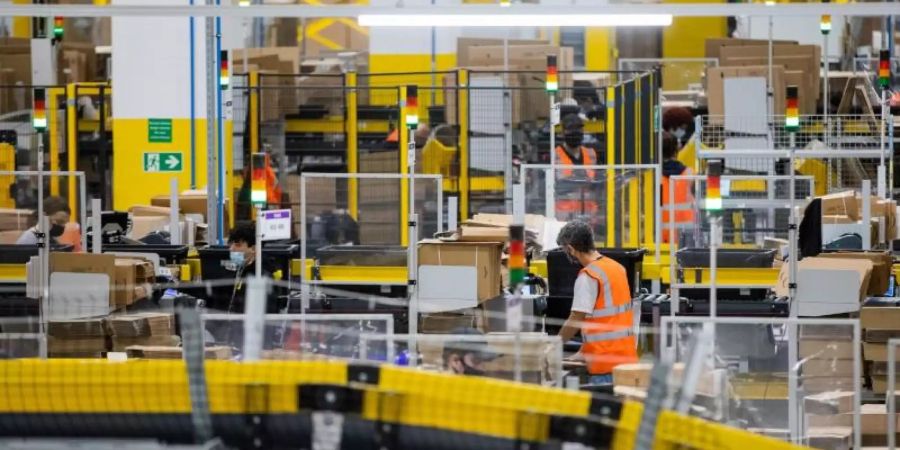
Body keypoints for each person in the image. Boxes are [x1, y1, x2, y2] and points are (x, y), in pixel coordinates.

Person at [556, 220, 637, 385]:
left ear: (571, 249)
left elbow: (576, 318)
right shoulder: (617, 268)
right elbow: (608, 321)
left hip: (605, 367)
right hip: (627, 362)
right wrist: (583, 351)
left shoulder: (588, 276)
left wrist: (554, 346)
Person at [555, 114, 599, 220]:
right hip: (564, 217)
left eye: (578, 129)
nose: (575, 133)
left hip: (588, 216)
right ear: (563, 132)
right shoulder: (554, 155)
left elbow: (597, 183)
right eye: (571, 129)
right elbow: (554, 186)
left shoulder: (591, 154)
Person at [661, 131, 696, 244]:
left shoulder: (652, 176)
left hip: (660, 235)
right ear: (676, 149)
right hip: (686, 234)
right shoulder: (690, 173)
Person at [16, 196, 82, 251]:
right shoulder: (30, 240)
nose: (62, 226)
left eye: (65, 223)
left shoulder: (50, 239)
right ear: (44, 216)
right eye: (59, 221)